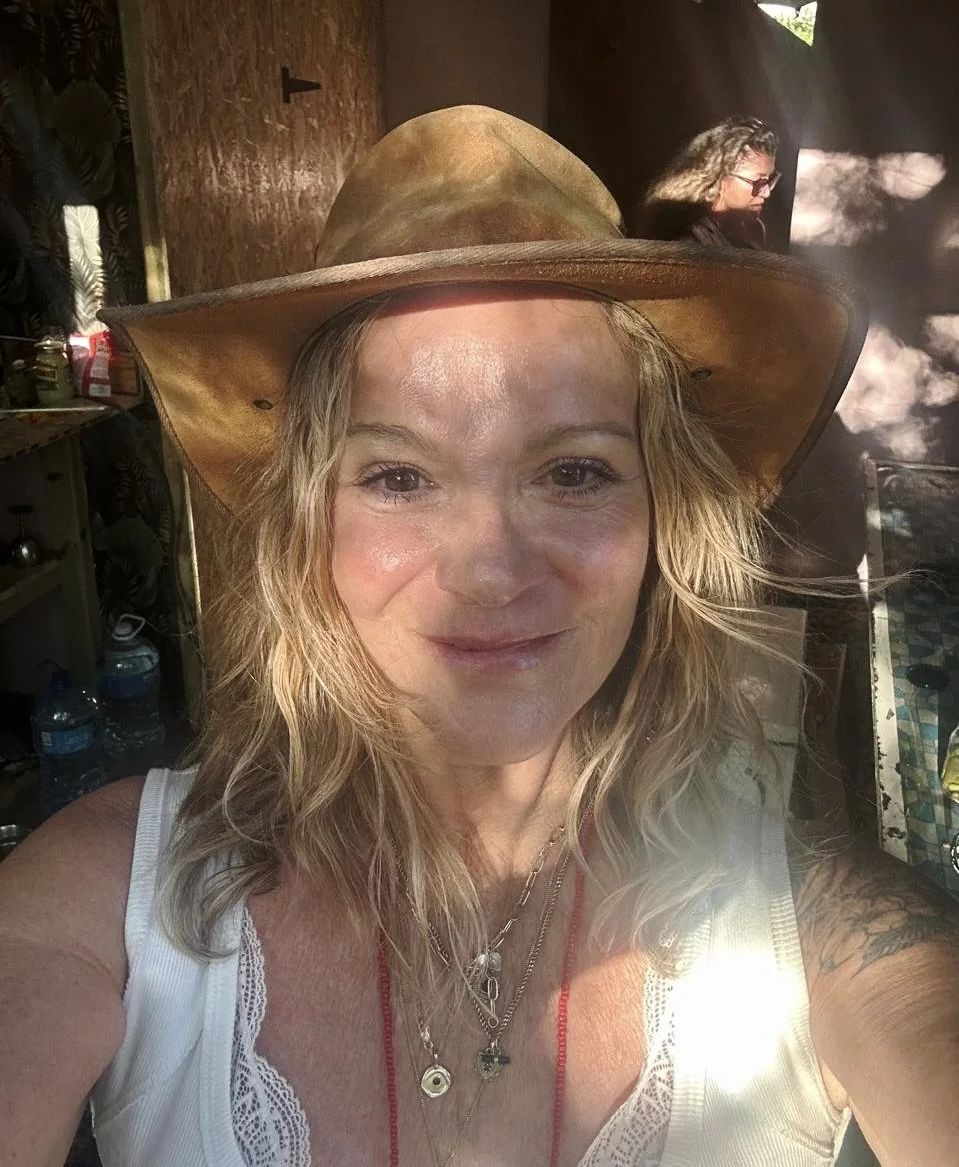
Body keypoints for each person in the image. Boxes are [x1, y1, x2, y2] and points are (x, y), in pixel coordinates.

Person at [1, 105, 957, 1167]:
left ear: (661, 517)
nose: (493, 569)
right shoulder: (102, 897)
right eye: (398, 476)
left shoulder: (814, 922)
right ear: (308, 522)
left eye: (574, 469)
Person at [640, 115, 780, 249]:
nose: (766, 193)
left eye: (769, 180)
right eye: (758, 181)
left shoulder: (751, 230)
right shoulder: (685, 242)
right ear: (720, 177)